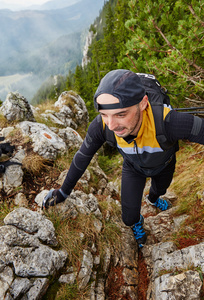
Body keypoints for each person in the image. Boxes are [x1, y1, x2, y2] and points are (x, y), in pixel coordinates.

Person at [43, 69, 204, 248]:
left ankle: (153, 199)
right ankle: (137, 222)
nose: (111, 125)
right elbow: (83, 156)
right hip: (133, 168)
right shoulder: (101, 127)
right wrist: (63, 192)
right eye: (104, 114)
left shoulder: (168, 122)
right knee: (128, 218)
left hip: (164, 165)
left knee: (160, 189)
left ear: (143, 103)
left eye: (121, 114)